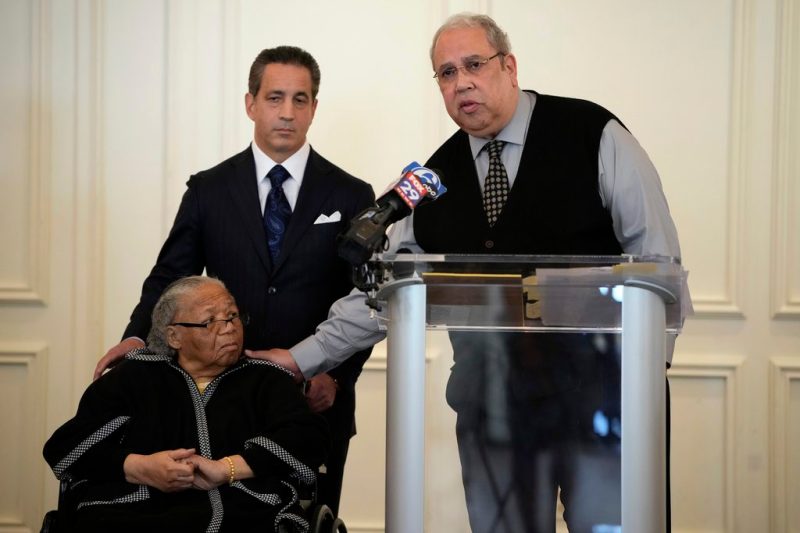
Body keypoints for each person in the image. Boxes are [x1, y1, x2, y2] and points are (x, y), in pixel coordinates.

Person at [258, 12, 685, 533]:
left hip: (604, 404)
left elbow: (657, 263)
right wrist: (299, 360)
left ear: (508, 66)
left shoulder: (594, 133)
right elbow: (387, 292)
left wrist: (645, 379)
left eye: (474, 65)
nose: (461, 83)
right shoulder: (432, 178)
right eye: (446, 73)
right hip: (494, 411)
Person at [92, 46, 374, 516]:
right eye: (274, 98)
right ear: (250, 103)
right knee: (225, 517)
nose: (287, 113)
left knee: (308, 518)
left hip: (315, 400)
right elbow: (169, 276)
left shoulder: (351, 193)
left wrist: (338, 375)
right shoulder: (209, 189)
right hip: (223, 393)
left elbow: (365, 299)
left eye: (300, 100)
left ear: (314, 108)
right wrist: (137, 337)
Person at [44, 276, 328, 532]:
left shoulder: (265, 377)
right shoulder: (134, 377)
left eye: (232, 316)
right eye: (210, 321)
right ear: (173, 336)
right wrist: (139, 467)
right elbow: (65, 446)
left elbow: (308, 438)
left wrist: (227, 468)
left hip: (243, 509)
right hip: (132, 510)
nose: (229, 329)